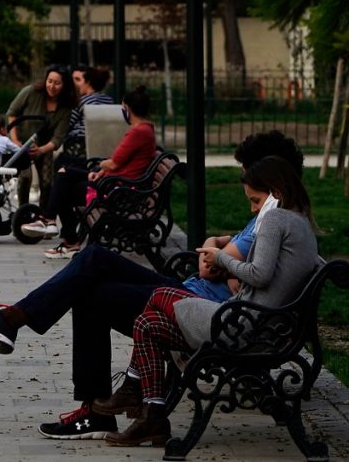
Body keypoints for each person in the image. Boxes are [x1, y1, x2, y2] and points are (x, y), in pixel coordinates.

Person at [0, 130, 305, 440]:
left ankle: (15, 324)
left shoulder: (274, 219)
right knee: (94, 259)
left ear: (270, 178)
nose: (251, 203)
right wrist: (219, 246)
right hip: (195, 295)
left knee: (90, 286)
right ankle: (14, 323)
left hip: (197, 303)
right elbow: (227, 257)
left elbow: (217, 269)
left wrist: (217, 251)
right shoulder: (277, 217)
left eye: (249, 179)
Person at [93, 155, 321, 447]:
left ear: (276, 190)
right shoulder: (301, 223)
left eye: (255, 200)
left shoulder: (277, 218)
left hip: (243, 327)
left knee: (158, 295)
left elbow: (259, 274)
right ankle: (152, 416)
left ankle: (135, 389)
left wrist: (220, 258)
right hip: (262, 327)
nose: (255, 209)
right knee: (148, 323)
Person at [22, 85, 157, 258]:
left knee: (65, 185)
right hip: (117, 183)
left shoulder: (138, 132)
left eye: (123, 108)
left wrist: (103, 167)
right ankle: (50, 222)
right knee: (64, 173)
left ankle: (56, 228)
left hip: (119, 190)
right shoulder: (145, 130)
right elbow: (118, 163)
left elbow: (114, 163)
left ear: (128, 109)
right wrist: (102, 168)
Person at [7, 65, 76, 213]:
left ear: (65, 86)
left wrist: (41, 150)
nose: (52, 86)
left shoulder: (66, 108)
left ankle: (43, 216)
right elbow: (12, 113)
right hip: (22, 144)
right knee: (25, 177)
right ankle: (22, 213)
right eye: (49, 81)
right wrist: (15, 140)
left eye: (57, 83)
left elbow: (58, 138)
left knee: (47, 182)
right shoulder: (31, 92)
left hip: (45, 146)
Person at [62, 66, 114, 161]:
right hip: (104, 146)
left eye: (77, 80)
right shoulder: (108, 100)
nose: (73, 84)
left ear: (88, 82)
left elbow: (66, 125)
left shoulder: (81, 101)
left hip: (79, 144)